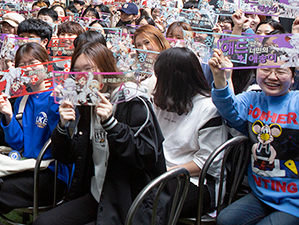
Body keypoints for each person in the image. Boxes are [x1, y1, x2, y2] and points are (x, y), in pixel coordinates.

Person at [33, 41, 166, 225]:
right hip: (97, 195)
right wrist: (63, 127)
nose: (82, 77)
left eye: (88, 69)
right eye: (77, 71)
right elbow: (67, 157)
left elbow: (147, 156)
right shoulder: (85, 103)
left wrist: (113, 125)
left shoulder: (132, 100)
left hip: (130, 202)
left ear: (106, 68)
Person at [209, 49, 299, 224]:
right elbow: (229, 108)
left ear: (293, 77)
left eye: (280, 71)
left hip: (294, 201)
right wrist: (219, 77)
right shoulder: (252, 99)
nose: (272, 77)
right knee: (225, 220)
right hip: (261, 195)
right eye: (265, 70)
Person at [0, 42, 67, 214]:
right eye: (22, 65)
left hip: (50, 173)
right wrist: (8, 116)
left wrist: (56, 106)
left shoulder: (58, 97)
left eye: (33, 63)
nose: (28, 69)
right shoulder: (22, 100)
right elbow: (18, 144)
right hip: (24, 164)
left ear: (46, 65)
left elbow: (61, 144)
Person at [152, 48, 227, 217]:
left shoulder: (209, 108)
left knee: (151, 203)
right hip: (162, 173)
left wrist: (165, 172)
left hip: (196, 181)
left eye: (160, 78)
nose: (157, 82)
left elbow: (206, 163)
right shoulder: (161, 101)